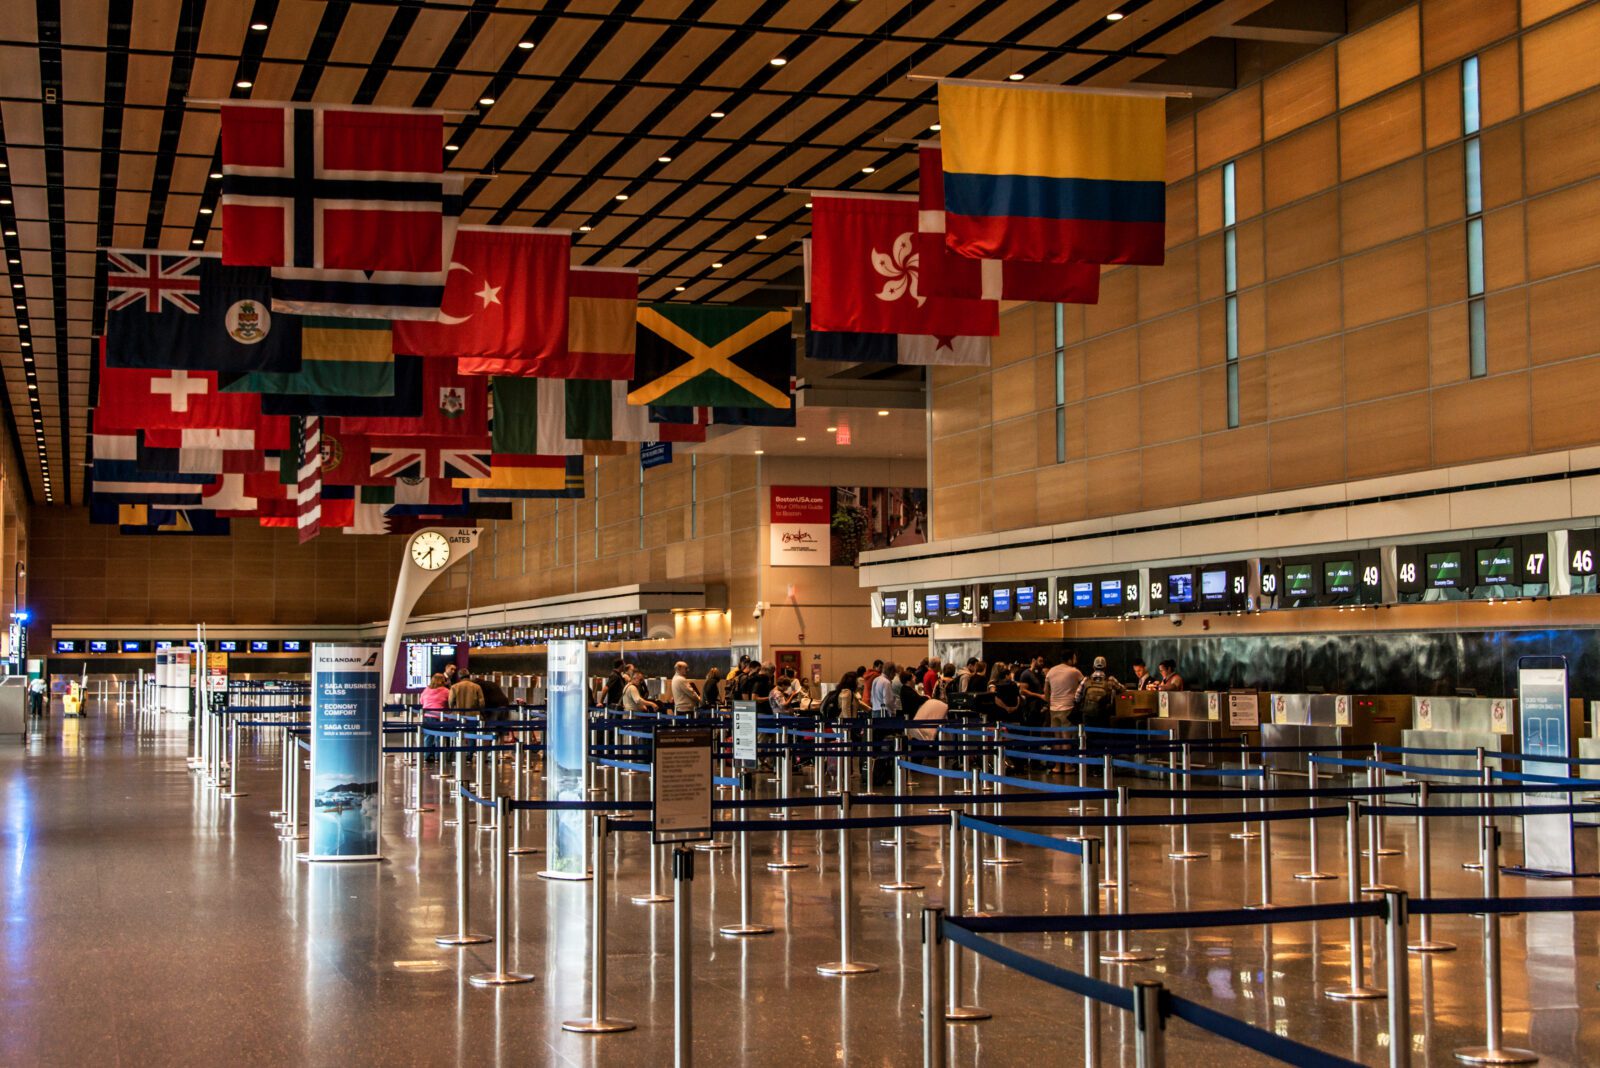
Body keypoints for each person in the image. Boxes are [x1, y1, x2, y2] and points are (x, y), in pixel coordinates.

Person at [1075, 656, 1126, 727]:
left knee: (1090, 735)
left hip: (1088, 715)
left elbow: (1077, 697)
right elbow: (1123, 689)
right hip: (1104, 714)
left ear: (1093, 667)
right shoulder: (1111, 680)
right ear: (1105, 667)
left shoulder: (1086, 680)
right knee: (1102, 736)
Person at [1044, 651, 1084, 729]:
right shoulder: (1074, 671)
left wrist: (1049, 704)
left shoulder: (1051, 670)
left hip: (1053, 708)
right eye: (1074, 658)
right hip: (1068, 707)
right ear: (1069, 660)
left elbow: (1046, 690)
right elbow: (1084, 684)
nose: (1076, 661)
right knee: (1067, 736)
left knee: (1057, 736)